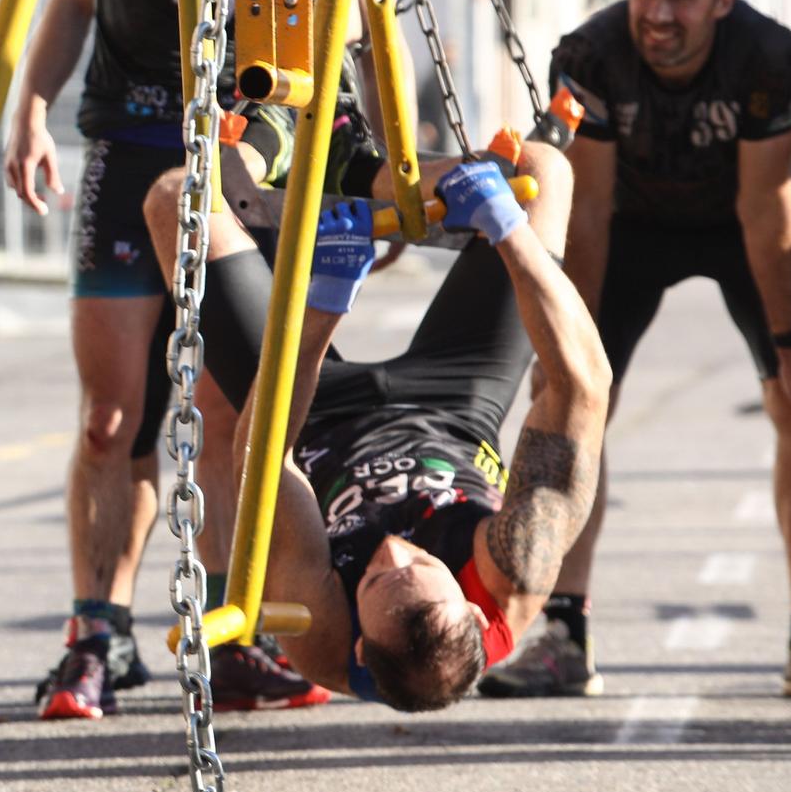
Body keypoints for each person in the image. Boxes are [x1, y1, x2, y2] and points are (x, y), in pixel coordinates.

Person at [0, 0, 369, 720]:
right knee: (111, 417)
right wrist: (31, 109)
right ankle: (98, 631)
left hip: (250, 171)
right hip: (135, 148)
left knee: (230, 416)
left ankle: (229, 633)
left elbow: (354, 66)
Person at [142, 128, 611, 710]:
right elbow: (582, 388)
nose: (391, 550)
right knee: (544, 168)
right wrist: (507, 228)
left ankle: (269, 139)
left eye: (372, 578)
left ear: (360, 646)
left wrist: (325, 304)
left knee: (173, 200)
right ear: (470, 603)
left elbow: (261, 456)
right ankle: (361, 166)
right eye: (419, 562)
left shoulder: (320, 633)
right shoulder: (516, 565)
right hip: (456, 405)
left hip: (311, 420)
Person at [482, 0, 791, 698]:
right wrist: (567, 343)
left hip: (738, 224)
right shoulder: (592, 54)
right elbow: (586, 211)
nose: (658, 12)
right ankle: (563, 627)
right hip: (628, 223)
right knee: (573, 404)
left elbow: (768, 205)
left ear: (722, 2)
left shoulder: (768, 58)